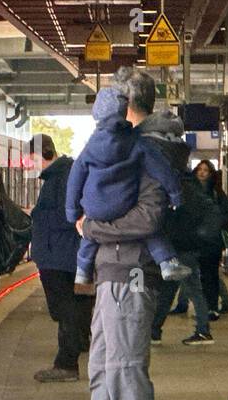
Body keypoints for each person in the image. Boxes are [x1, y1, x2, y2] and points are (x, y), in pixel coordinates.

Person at [43, 66, 167, 400]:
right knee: (102, 369)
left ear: (128, 106)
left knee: (127, 371)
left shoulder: (149, 150)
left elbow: (150, 218)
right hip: (110, 275)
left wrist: (92, 227)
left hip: (132, 276)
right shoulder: (119, 149)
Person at [67, 87, 189, 286]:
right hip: (124, 202)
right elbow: (160, 168)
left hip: (95, 207)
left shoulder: (90, 146)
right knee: (153, 233)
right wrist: (175, 194)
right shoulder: (136, 142)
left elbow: (75, 177)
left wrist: (72, 212)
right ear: (125, 112)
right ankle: (167, 262)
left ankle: (82, 271)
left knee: (89, 239)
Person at [27, 134, 94, 384]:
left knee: (66, 309)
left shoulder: (61, 177)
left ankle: (66, 364)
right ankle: (77, 346)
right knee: (75, 306)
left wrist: (34, 215)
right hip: (68, 254)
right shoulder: (64, 174)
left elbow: (68, 217)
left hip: (61, 256)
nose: (30, 165)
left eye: (32, 159)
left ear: (45, 154)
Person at [153, 156, 227, 347]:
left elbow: (169, 219)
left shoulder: (176, 191)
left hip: (177, 247)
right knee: (172, 289)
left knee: (187, 289)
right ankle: (155, 330)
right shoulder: (195, 191)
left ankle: (202, 331)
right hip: (190, 246)